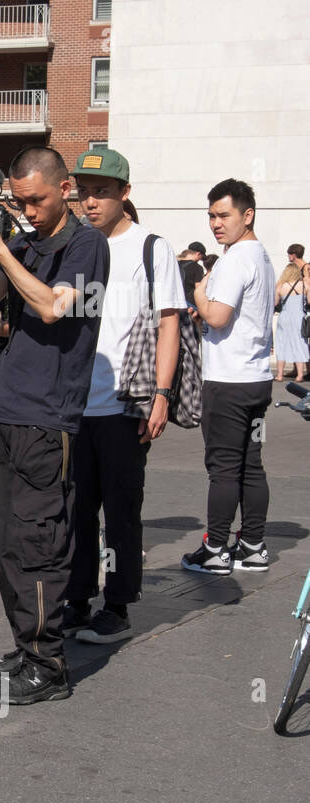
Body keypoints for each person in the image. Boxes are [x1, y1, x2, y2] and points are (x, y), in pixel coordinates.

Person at [0, 145, 110, 705]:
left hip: (47, 418)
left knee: (41, 539)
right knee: (12, 543)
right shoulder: (23, 241)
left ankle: (48, 664)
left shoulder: (86, 245)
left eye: (37, 200)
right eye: (20, 201)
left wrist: (1, 244)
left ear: (65, 188)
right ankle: (28, 647)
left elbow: (53, 308)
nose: (28, 210)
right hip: (4, 409)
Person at [65, 147, 184, 643]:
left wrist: (162, 394)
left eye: (103, 193)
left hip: (124, 401)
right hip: (73, 401)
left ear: (124, 194)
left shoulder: (151, 247)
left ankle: (117, 605)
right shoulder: (72, 245)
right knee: (74, 508)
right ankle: (75, 599)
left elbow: (169, 322)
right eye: (85, 193)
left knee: (121, 507)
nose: (91, 202)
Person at [181, 179, 275, 574]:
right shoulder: (262, 255)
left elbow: (217, 316)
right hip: (257, 379)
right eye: (211, 216)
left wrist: (200, 291)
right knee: (250, 464)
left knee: (223, 467)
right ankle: (252, 545)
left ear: (247, 215)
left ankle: (217, 548)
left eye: (224, 215)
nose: (215, 224)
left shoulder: (236, 258)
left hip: (229, 382)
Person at [273, 247, 306, 382]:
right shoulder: (304, 285)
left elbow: (275, 303)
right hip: (299, 316)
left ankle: (280, 375)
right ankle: (300, 375)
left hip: (285, 317)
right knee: (299, 343)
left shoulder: (280, 285)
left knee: (281, 344)